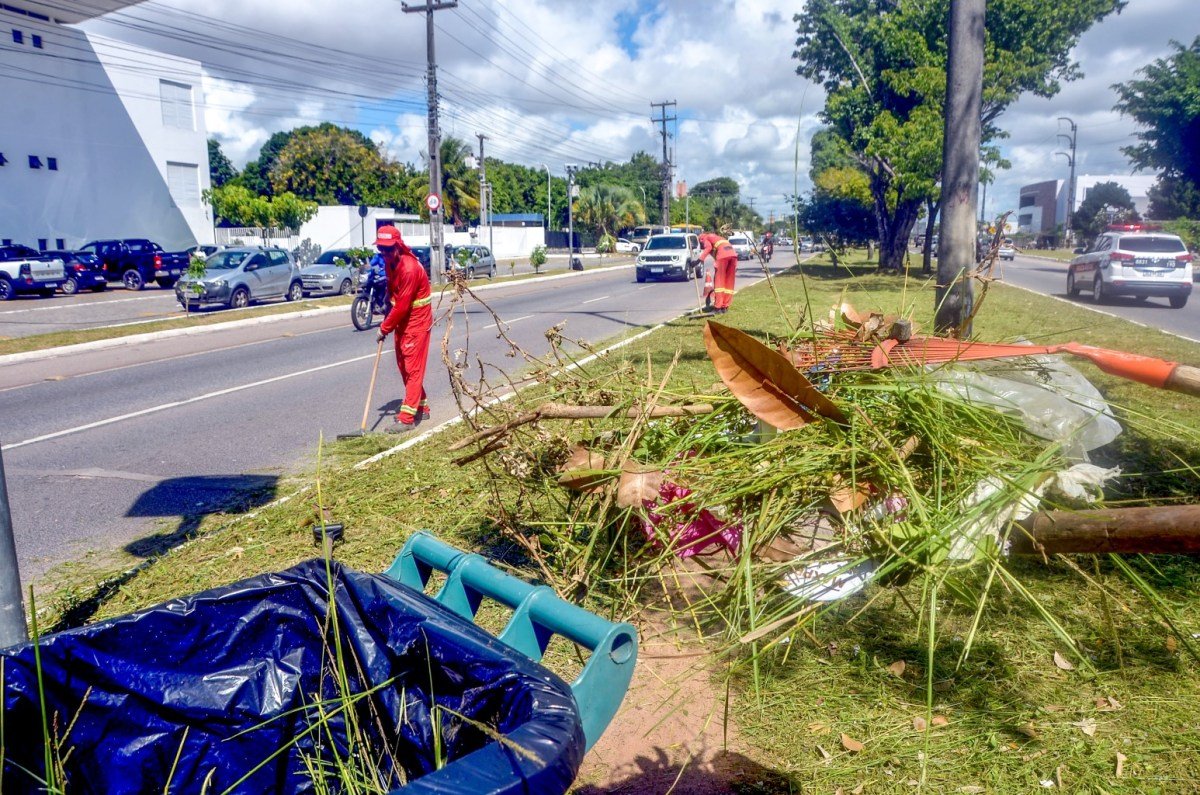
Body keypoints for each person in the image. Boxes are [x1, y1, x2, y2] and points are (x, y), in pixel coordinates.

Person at [374, 225, 433, 432]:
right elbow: (393, 295)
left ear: (398, 246)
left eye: (388, 249)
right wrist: (385, 308)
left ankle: (407, 417)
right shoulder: (391, 263)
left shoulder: (409, 268)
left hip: (417, 318)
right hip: (402, 318)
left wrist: (384, 327)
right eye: (381, 249)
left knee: (413, 367)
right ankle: (422, 407)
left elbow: (403, 305)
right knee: (403, 364)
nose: (385, 253)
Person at [698, 231, 738, 313]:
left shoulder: (705, 238)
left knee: (719, 281)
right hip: (733, 255)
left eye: (701, 244)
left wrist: (699, 260)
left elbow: (708, 248)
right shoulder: (718, 238)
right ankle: (725, 306)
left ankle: (717, 307)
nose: (702, 246)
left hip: (723, 256)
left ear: (701, 240)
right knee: (729, 282)